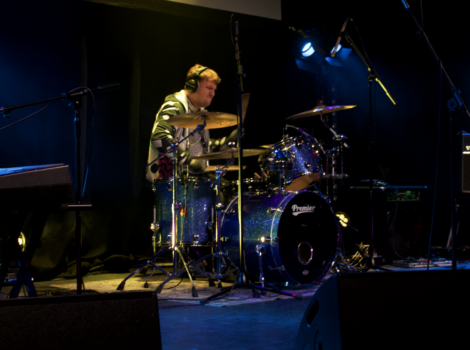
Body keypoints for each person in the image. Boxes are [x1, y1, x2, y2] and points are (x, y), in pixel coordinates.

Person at [146, 64, 238, 182]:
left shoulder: (200, 112)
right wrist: (190, 161)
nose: (213, 94)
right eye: (209, 88)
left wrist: (224, 143)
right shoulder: (175, 105)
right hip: (169, 186)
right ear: (193, 86)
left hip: (190, 182)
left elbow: (195, 144)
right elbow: (159, 137)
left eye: (214, 90)